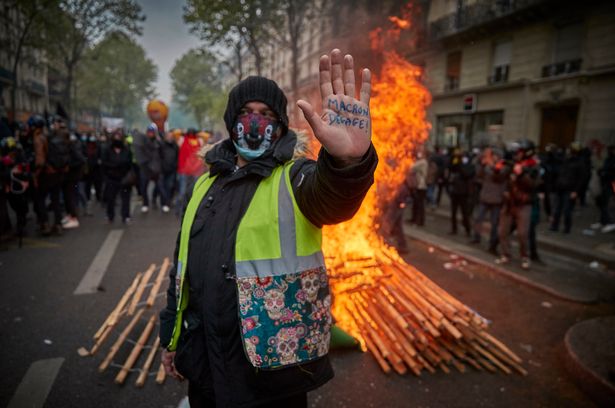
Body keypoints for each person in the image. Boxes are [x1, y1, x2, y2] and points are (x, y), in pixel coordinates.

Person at [159, 50, 377, 408]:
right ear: (231, 121)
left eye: (266, 115)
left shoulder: (295, 178)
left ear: (280, 125)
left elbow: (334, 198)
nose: (255, 123)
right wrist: (171, 340)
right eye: (246, 113)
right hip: (205, 366)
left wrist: (348, 162)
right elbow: (180, 271)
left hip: (274, 375)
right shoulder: (203, 185)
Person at [496, 140, 541, 269]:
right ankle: (506, 254)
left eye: (519, 152)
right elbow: (500, 178)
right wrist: (497, 170)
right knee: (503, 231)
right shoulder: (513, 164)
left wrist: (521, 174)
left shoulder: (534, 166)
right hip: (509, 202)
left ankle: (525, 256)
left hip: (524, 204)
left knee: (522, 233)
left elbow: (533, 185)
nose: (517, 154)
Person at [471, 147, 507, 255]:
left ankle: (492, 244)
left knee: (494, 223)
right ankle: (476, 237)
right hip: (485, 196)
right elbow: (478, 175)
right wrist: (481, 164)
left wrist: (491, 166)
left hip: (496, 199)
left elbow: (498, 177)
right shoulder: (486, 166)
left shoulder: (503, 166)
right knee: (478, 218)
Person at [549, 141, 587, 233]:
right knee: (557, 209)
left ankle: (567, 228)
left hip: (570, 190)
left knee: (567, 211)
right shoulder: (566, 160)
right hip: (560, 188)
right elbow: (557, 162)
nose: (568, 151)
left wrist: (576, 191)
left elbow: (581, 179)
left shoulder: (580, 163)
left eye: (570, 149)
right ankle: (554, 226)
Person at [101, 131, 132, 224]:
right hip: (111, 178)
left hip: (124, 178)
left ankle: (125, 216)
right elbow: (104, 163)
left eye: (119, 137)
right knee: (111, 198)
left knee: (125, 199)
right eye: (116, 137)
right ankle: (110, 216)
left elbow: (129, 163)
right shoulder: (107, 149)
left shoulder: (126, 150)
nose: (117, 139)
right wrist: (114, 166)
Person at [135, 124, 166, 213]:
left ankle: (163, 204)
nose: (150, 134)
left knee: (160, 187)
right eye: (149, 132)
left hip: (156, 168)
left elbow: (162, 154)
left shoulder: (158, 142)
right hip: (145, 168)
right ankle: (145, 204)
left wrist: (160, 141)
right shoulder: (143, 142)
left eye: (152, 132)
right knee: (144, 187)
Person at [175, 128, 205, 214]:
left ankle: (186, 210)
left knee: (189, 192)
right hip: (186, 171)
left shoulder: (199, 141)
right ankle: (180, 209)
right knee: (184, 192)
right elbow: (176, 134)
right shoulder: (182, 140)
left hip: (194, 171)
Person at [448, 148, 474, 236]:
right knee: (453, 212)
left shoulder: (467, 162)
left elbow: (467, 173)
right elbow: (451, 167)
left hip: (463, 191)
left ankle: (468, 229)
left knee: (464, 212)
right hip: (455, 189)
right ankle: (454, 229)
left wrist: (460, 163)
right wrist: (454, 158)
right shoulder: (456, 159)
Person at [159, 130, 179, 212]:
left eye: (171, 136)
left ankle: (167, 203)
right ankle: (163, 202)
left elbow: (178, 157)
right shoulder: (161, 145)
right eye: (168, 136)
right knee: (161, 187)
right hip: (162, 170)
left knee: (170, 187)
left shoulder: (175, 146)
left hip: (172, 170)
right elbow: (158, 157)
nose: (170, 138)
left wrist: (176, 166)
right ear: (165, 137)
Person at [409, 147, 428, 226]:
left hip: (421, 186)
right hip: (418, 185)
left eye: (421, 152)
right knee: (416, 204)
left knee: (420, 204)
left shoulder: (423, 162)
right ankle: (414, 219)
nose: (419, 154)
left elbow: (412, 167)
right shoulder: (421, 161)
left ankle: (420, 221)